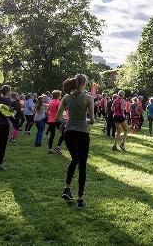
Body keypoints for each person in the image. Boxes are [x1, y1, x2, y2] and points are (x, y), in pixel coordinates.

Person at [56, 74, 95, 208]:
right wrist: (86, 120)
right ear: (84, 84)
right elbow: (93, 120)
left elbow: (57, 118)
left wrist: (67, 122)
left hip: (69, 133)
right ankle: (80, 199)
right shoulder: (88, 98)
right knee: (82, 164)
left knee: (74, 159)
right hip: (82, 132)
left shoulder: (66, 97)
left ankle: (67, 189)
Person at [47, 90, 65, 154]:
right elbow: (59, 111)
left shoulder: (51, 101)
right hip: (57, 120)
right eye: (60, 94)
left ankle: (50, 149)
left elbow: (47, 111)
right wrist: (62, 117)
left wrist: (51, 115)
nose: (61, 96)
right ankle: (58, 146)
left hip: (51, 120)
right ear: (58, 95)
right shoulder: (58, 102)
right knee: (64, 133)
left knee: (52, 135)